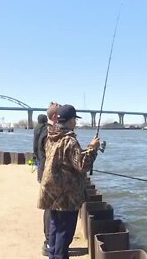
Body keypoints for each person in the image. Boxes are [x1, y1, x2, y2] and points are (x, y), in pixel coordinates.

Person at [38, 104, 100, 259]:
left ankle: (53, 256)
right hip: (66, 195)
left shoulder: (51, 137)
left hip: (51, 192)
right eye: (75, 119)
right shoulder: (70, 141)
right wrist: (92, 149)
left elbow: (64, 159)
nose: (76, 123)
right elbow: (82, 165)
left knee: (55, 229)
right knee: (64, 234)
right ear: (71, 120)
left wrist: (83, 151)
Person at [38, 102, 61, 256]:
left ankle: (50, 242)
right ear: (54, 116)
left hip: (44, 172)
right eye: (61, 115)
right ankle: (49, 242)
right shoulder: (49, 133)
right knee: (50, 209)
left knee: (50, 209)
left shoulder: (44, 130)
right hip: (49, 176)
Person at [33, 114, 48, 182]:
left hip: (36, 147)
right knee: (42, 162)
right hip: (41, 147)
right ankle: (41, 178)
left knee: (39, 162)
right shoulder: (45, 127)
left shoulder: (36, 127)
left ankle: (39, 178)